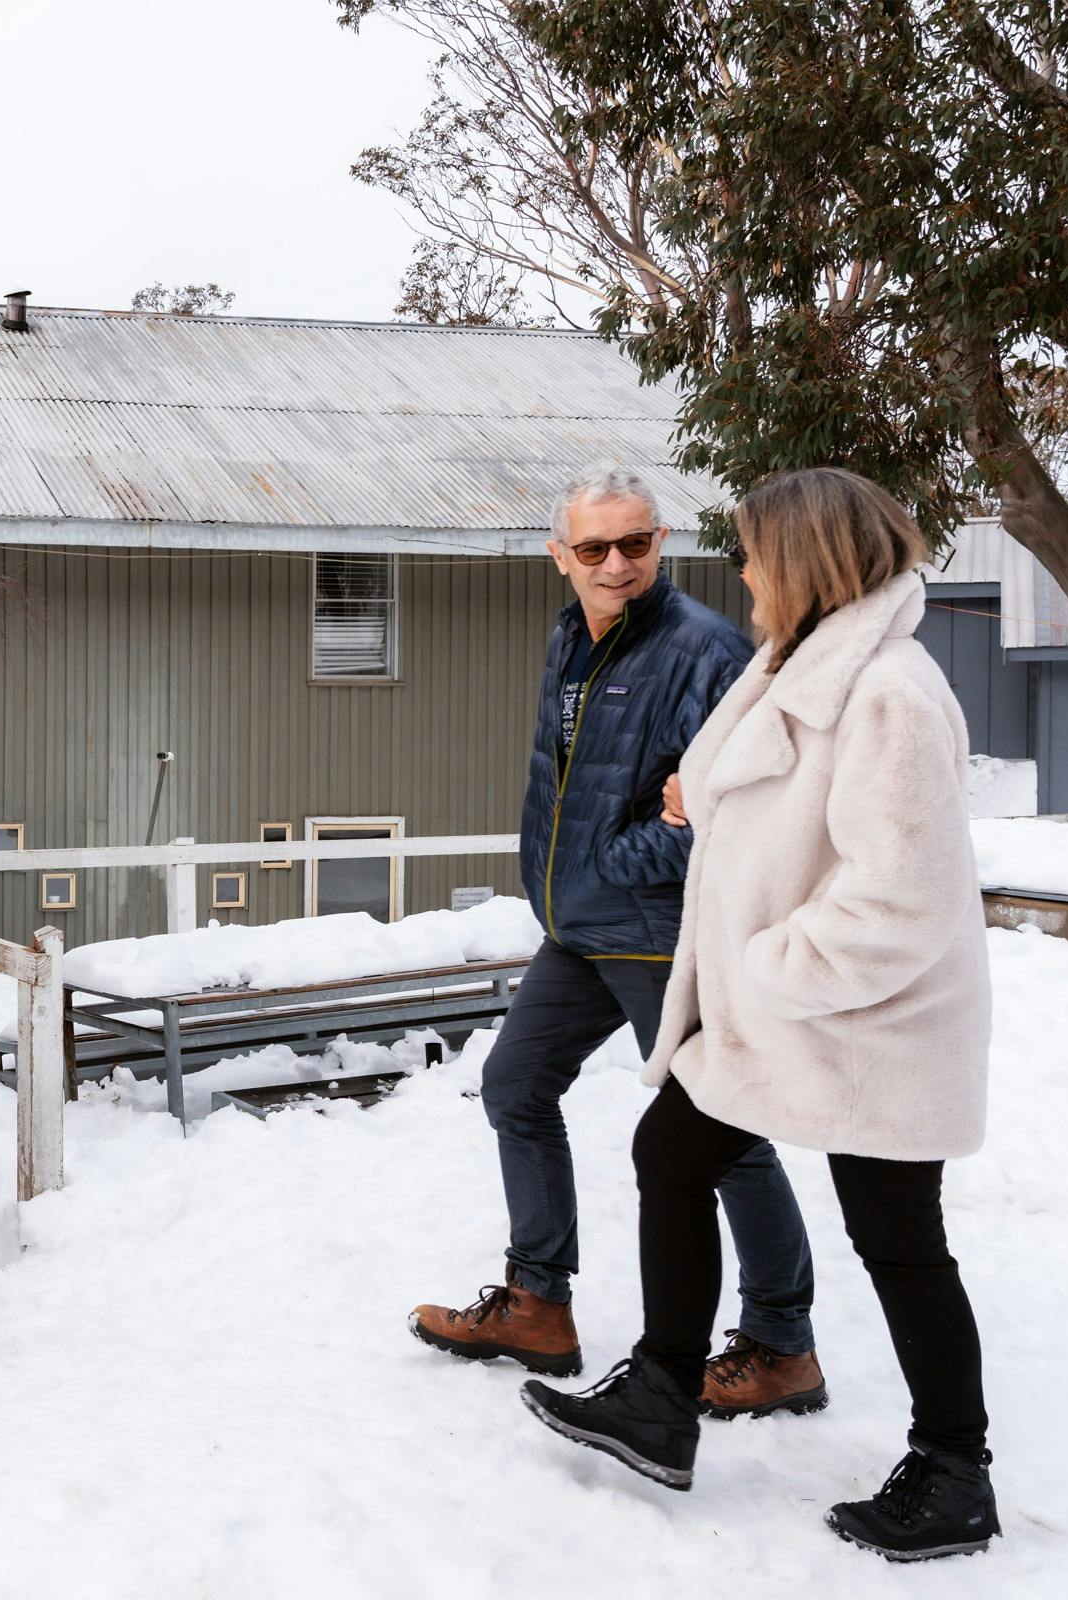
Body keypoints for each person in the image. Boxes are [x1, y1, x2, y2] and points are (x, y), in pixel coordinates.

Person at [519, 467, 998, 1562]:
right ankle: (661, 1394)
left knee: (898, 1237)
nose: (739, 570)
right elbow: (770, 789)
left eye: (754, 551)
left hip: (867, 1017)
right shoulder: (798, 665)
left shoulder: (889, 693)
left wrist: (770, 966)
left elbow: (900, 895)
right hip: (801, 1010)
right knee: (674, 1152)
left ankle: (955, 1470)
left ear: (809, 561)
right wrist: (706, 795)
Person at [412, 464, 825, 1417]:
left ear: (660, 544)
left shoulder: (706, 650)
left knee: (721, 1134)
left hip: (657, 932)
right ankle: (538, 1304)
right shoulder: (573, 637)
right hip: (581, 928)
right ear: (560, 557)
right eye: (593, 548)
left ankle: (781, 1343)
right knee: (516, 1085)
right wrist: (572, 878)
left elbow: (720, 805)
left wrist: (609, 864)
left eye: (634, 544)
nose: (616, 564)